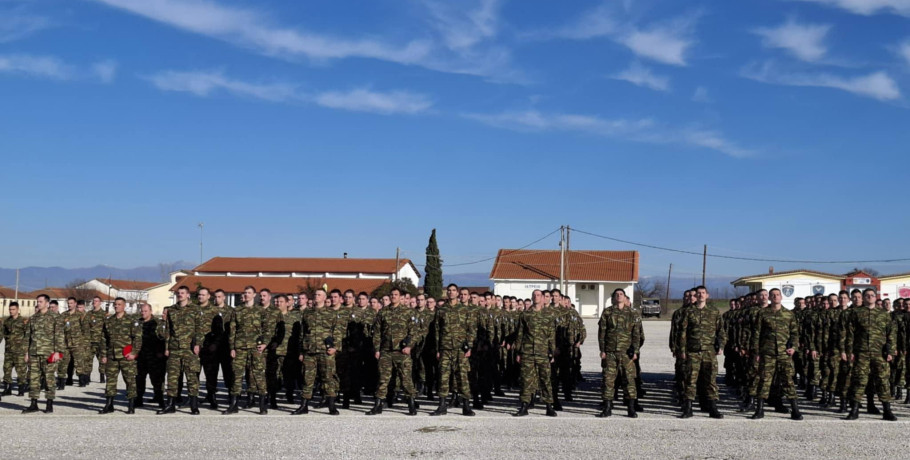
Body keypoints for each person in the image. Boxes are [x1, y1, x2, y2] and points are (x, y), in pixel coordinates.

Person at [843, 288, 897, 421]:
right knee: (859, 380)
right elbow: (850, 334)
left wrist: (890, 351)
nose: (870, 297)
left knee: (882, 381)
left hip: (880, 353)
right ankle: (854, 410)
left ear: (875, 297)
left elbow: (891, 334)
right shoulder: (856, 313)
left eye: (872, 295)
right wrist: (849, 351)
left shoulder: (884, 314)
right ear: (863, 297)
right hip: (861, 352)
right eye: (867, 295)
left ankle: (887, 410)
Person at [750, 288, 803, 421]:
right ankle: (759, 409)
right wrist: (756, 352)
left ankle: (795, 410)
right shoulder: (763, 313)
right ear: (769, 298)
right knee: (764, 381)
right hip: (767, 353)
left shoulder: (788, 314)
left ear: (781, 297)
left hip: (784, 354)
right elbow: (756, 334)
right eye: (773, 295)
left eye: (777, 295)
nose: (775, 297)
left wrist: (794, 348)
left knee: (788, 381)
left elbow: (795, 333)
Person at [366, 288, 418, 416]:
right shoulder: (383, 312)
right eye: (392, 294)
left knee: (406, 378)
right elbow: (377, 332)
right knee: (383, 379)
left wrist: (409, 346)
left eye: (396, 295)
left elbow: (414, 332)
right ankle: (378, 404)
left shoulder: (407, 312)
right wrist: (377, 349)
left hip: (402, 351)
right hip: (386, 351)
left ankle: (411, 403)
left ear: (400, 297)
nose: (394, 296)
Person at [293, 289, 343, 415]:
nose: (316, 296)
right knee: (307, 378)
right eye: (315, 294)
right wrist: (301, 351)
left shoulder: (331, 313)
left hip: (325, 351)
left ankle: (331, 405)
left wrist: (335, 347)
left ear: (325, 297)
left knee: (328, 378)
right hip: (309, 350)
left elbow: (337, 331)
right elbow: (302, 333)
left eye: (319, 294)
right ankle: (304, 406)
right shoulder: (307, 313)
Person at [677, 286, 724, 419]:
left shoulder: (714, 312)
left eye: (703, 293)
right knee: (690, 380)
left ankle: (712, 408)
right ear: (695, 296)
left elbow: (721, 331)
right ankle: (688, 408)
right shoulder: (688, 312)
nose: (701, 295)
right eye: (698, 293)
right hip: (693, 351)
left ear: (707, 295)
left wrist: (721, 345)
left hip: (709, 352)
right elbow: (683, 333)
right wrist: (682, 350)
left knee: (711, 380)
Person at [430, 284, 476, 416]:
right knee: (443, 377)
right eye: (449, 291)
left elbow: (471, 330)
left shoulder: (465, 310)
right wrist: (438, 348)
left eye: (453, 291)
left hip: (460, 349)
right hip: (445, 348)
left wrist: (469, 346)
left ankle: (466, 406)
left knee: (462, 377)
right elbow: (437, 331)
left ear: (458, 293)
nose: (451, 293)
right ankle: (442, 405)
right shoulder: (441, 310)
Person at [157, 285, 203, 415]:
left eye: (183, 293)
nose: (180, 295)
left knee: (192, 377)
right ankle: (170, 404)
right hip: (175, 348)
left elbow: (200, 329)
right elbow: (168, 331)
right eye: (178, 293)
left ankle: (194, 405)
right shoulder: (172, 310)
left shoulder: (195, 309)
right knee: (172, 378)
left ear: (188, 295)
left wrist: (198, 344)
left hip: (189, 349)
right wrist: (167, 347)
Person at [596, 289, 641, 418]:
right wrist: (602, 350)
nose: (619, 296)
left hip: (626, 353)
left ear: (625, 297)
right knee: (608, 380)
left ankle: (631, 408)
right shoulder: (607, 312)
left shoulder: (632, 313)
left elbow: (636, 334)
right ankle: (607, 407)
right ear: (614, 298)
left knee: (629, 380)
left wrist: (635, 350)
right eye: (617, 294)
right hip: (610, 352)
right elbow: (602, 333)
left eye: (621, 294)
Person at [224, 286, 268, 415]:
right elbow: (232, 330)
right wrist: (232, 347)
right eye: (245, 293)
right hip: (240, 347)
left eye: (249, 293)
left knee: (258, 374)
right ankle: (234, 404)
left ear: (255, 295)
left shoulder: (261, 311)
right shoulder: (237, 310)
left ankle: (262, 404)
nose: (247, 295)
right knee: (237, 375)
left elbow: (268, 329)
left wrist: (265, 343)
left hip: (256, 347)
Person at [513, 290, 557, 417]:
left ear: (543, 298)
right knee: (526, 380)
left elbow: (551, 335)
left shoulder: (549, 315)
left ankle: (549, 406)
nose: (536, 297)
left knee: (545, 380)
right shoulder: (525, 315)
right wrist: (518, 352)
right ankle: (524, 406)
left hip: (542, 352)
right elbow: (520, 334)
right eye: (534, 295)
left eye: (538, 295)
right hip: (527, 352)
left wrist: (551, 352)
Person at [98, 297, 142, 414]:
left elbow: (137, 338)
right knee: (110, 381)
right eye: (115, 304)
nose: (116, 306)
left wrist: (134, 353)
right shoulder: (109, 321)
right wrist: (104, 354)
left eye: (119, 304)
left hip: (126, 356)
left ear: (124, 306)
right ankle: (109, 404)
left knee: (130, 381)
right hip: (112, 356)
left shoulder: (131, 320)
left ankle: (131, 405)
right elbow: (104, 339)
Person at [22, 294, 62, 414]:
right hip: (34, 352)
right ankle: (34, 403)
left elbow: (59, 336)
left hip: (48, 353)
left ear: (47, 303)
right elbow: (28, 337)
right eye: (37, 302)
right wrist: (26, 352)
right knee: (34, 379)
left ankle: (49, 404)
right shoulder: (33, 318)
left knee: (49, 378)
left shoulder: (55, 317)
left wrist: (57, 352)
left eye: (40, 302)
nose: (38, 304)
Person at [197, 287, 233, 410]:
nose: (217, 299)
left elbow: (223, 330)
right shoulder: (197, 310)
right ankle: (204, 395)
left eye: (219, 297)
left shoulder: (226, 311)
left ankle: (228, 395)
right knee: (204, 372)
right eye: (215, 297)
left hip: (220, 346)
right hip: (202, 346)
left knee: (223, 372)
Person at [136, 302, 166, 408]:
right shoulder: (137, 323)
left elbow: (163, 339)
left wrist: (161, 352)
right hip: (140, 356)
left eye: (145, 311)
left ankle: (160, 399)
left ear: (151, 311)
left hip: (154, 357)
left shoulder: (157, 323)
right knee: (139, 378)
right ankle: (138, 399)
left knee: (156, 380)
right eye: (142, 311)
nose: (143, 313)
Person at [2, 302, 28, 396]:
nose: (11, 311)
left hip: (20, 351)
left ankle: (21, 389)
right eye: (10, 309)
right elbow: (2, 333)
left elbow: (27, 336)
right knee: (7, 369)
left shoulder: (23, 321)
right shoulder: (7, 321)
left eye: (13, 309)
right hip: (9, 350)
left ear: (17, 309)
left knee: (21, 370)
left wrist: (27, 351)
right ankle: (7, 389)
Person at [87, 296, 108, 383]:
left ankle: (102, 376)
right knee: (88, 359)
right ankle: (87, 377)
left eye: (96, 301)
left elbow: (107, 328)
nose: (94, 302)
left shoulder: (104, 314)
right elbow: (85, 326)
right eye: (93, 301)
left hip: (100, 341)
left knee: (102, 359)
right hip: (90, 341)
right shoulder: (89, 314)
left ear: (100, 302)